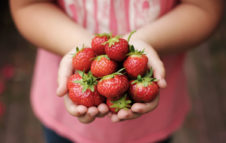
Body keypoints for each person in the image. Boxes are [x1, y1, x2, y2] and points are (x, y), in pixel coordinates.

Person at [10, 0, 223, 143]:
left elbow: (204, 8)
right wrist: (84, 47)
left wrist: (144, 42)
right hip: (64, 116)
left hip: (153, 121)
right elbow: (29, 5)